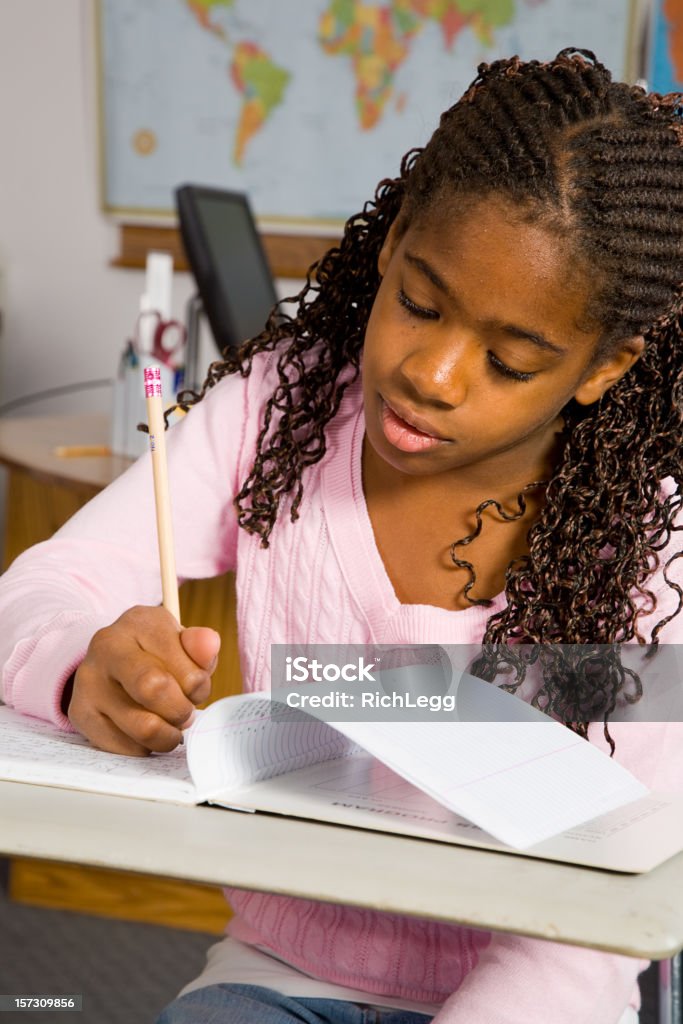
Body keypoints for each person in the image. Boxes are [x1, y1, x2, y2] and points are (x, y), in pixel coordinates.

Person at [1, 48, 682, 1024]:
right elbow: (49, 578)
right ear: (394, 238)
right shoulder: (281, 407)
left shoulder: (642, 558)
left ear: (599, 366)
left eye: (505, 359)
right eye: (419, 303)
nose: (433, 374)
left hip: (533, 987)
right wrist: (81, 664)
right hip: (284, 969)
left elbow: (583, 927)